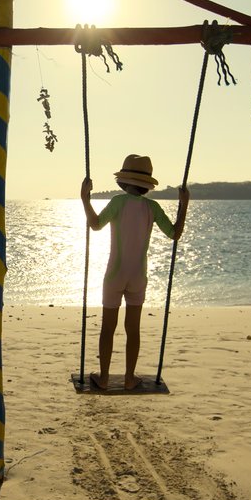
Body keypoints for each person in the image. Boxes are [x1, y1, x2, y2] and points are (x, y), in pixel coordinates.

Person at [80, 154, 189, 390]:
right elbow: (175, 234)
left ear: (124, 181)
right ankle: (130, 378)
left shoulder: (119, 202)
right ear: (147, 184)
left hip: (115, 274)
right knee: (133, 329)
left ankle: (105, 377)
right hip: (138, 276)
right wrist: (184, 205)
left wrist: (85, 200)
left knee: (108, 328)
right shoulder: (153, 207)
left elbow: (96, 224)